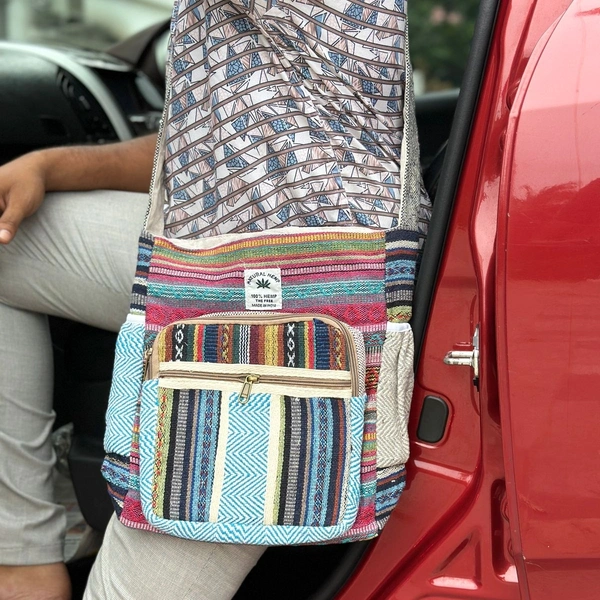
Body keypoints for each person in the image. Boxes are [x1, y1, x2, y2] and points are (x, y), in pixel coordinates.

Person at [0, 0, 426, 598]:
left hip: (291, 287)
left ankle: (23, 559)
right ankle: (21, 557)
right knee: (8, 243)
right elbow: (207, 142)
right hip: (259, 257)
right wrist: (48, 166)